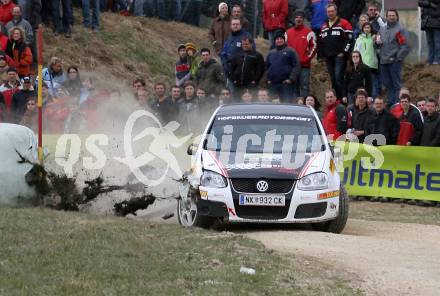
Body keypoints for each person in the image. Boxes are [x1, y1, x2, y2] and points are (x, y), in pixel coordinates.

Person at [376, 9, 410, 107]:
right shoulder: (382, 29)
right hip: (383, 61)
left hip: (394, 62)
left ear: (397, 17)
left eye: (393, 15)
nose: (391, 17)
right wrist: (377, 46)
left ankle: (397, 103)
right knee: (387, 83)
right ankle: (391, 102)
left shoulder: (400, 30)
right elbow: (378, 44)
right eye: (389, 15)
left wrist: (397, 58)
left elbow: (405, 46)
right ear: (386, 17)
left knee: (396, 84)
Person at [319, 3, 353, 99]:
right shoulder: (324, 25)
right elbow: (321, 41)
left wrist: (344, 52)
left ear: (336, 11)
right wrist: (322, 55)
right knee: (333, 79)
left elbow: (350, 39)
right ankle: (336, 99)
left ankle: (342, 98)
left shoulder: (344, 23)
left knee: (339, 78)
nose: (330, 13)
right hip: (328, 57)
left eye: (332, 11)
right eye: (328, 11)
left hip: (339, 56)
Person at [286, 10, 316, 98]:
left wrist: (306, 59)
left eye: (300, 18)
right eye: (297, 17)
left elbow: (314, 46)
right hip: (292, 66)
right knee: (293, 87)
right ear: (294, 19)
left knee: (304, 87)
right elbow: (285, 48)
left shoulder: (309, 32)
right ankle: (293, 108)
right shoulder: (288, 33)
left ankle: (304, 108)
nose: (298, 19)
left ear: (303, 19)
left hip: (304, 66)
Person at [266, 30, 300, 103]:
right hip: (273, 84)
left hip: (286, 84)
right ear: (275, 41)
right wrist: (268, 79)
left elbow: (296, 65)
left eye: (281, 39)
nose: (279, 40)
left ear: (284, 40)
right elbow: (266, 67)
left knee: (286, 104)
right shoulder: (271, 53)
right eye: (277, 39)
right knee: (272, 105)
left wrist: (291, 79)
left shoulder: (291, 51)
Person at [220, 17, 253, 88]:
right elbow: (223, 53)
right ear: (231, 26)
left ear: (240, 25)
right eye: (233, 24)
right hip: (229, 71)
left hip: (241, 72)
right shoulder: (229, 37)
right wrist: (225, 65)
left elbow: (252, 52)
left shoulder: (246, 36)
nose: (235, 26)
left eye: (237, 24)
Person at [354, 22, 379, 97]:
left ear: (371, 29)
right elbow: (356, 51)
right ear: (362, 29)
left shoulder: (374, 38)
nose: (367, 29)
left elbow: (378, 47)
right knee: (362, 84)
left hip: (372, 64)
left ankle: (373, 99)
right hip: (362, 64)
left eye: (368, 27)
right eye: (365, 28)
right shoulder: (359, 39)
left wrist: (376, 39)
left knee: (372, 84)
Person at [419, 0, 440, 65]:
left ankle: (437, 59)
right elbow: (419, 2)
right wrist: (429, 4)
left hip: (437, 22)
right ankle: (430, 59)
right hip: (427, 22)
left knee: (437, 42)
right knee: (430, 43)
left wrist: (427, 3)